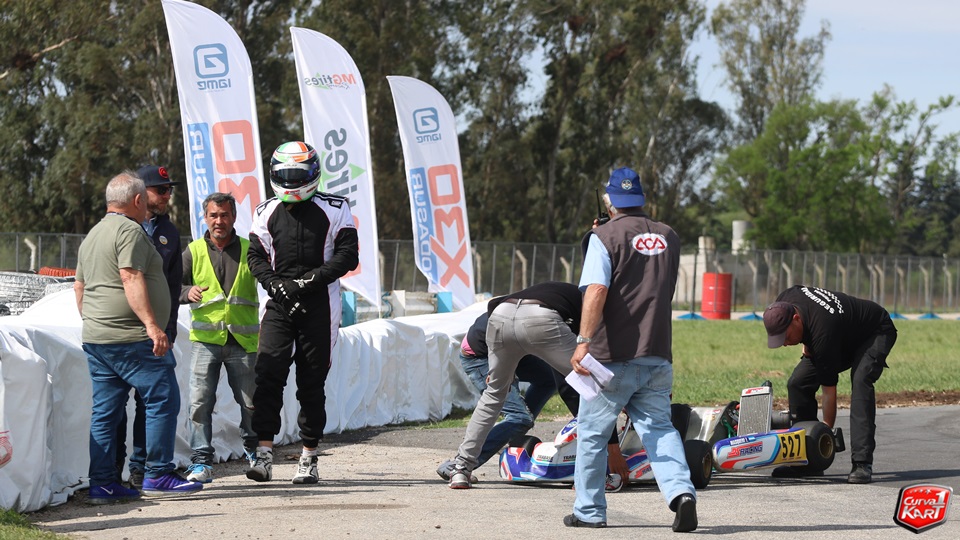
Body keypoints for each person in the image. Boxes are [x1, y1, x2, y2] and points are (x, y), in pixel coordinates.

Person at [567, 167, 696, 532]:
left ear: (610, 201)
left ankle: (589, 511)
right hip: (657, 352)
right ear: (641, 199)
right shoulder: (669, 235)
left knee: (592, 433)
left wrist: (583, 341)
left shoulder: (604, 237)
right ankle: (681, 495)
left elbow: (597, 289)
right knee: (660, 429)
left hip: (612, 356)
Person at [74, 172, 202, 503]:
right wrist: (152, 326)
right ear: (136, 200)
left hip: (98, 338)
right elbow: (130, 277)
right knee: (163, 397)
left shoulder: (93, 235)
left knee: (106, 412)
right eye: (145, 200)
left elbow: (80, 286)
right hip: (131, 337)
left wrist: (93, 320)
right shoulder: (130, 231)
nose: (147, 207)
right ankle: (157, 473)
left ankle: (103, 483)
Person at [245, 141, 359, 484]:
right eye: (285, 174)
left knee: (311, 383)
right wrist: (275, 285)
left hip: (320, 305)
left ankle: (309, 457)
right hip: (278, 304)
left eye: (298, 174)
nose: (292, 181)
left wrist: (305, 283)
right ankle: (264, 454)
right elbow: (255, 256)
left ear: (314, 173)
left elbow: (348, 256)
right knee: (268, 376)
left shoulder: (336, 207)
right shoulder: (265, 210)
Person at [438, 312, 628, 486]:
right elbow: (568, 383)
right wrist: (602, 430)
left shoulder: (565, 315)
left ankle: (514, 441)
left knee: (547, 380)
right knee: (519, 417)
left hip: (514, 345)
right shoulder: (562, 321)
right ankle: (460, 466)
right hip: (481, 354)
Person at [446, 281, 587, 489]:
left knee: (498, 395)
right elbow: (573, 378)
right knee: (591, 383)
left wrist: (499, 370)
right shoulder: (589, 306)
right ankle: (597, 468)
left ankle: (461, 467)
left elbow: (496, 310)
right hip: (484, 350)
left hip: (500, 318)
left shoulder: (560, 294)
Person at [763, 285, 897, 484]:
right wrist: (806, 342)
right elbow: (808, 311)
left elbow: (828, 391)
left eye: (786, 337)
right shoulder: (785, 299)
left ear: (796, 319)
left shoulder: (823, 333)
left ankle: (862, 463)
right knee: (798, 383)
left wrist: (824, 433)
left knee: (861, 381)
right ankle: (807, 462)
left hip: (875, 332)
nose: (784, 343)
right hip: (839, 335)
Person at [179, 193, 260, 484]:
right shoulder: (193, 251)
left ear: (234, 217)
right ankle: (201, 462)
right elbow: (172, 285)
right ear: (205, 218)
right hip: (206, 341)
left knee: (251, 403)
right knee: (199, 404)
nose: (219, 221)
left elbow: (270, 278)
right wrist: (186, 292)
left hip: (243, 342)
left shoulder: (250, 249)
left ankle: (255, 454)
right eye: (213, 215)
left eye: (224, 215)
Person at [116, 165, 184, 488]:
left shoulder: (169, 232)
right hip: (124, 332)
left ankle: (142, 469)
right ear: (140, 193)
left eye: (169, 189)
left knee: (152, 403)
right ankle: (111, 474)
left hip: (157, 334)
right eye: (161, 189)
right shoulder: (121, 227)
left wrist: (168, 328)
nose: (167, 195)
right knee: (115, 405)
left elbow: (172, 285)